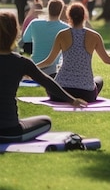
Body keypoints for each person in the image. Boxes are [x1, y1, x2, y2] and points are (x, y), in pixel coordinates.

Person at [0, 12, 87, 143]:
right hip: (10, 132)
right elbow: (47, 82)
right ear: (15, 33)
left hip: (9, 127)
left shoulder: (22, 63)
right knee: (46, 121)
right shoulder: (21, 63)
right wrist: (72, 100)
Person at [37, 2, 110, 102]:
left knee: (51, 81)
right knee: (99, 80)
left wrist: (31, 67)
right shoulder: (94, 36)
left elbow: (49, 61)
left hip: (61, 93)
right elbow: (106, 59)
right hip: (86, 93)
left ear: (69, 16)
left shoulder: (62, 35)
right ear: (84, 17)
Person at [21, 0, 69, 76]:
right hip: (53, 69)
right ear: (61, 11)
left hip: (35, 66)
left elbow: (25, 39)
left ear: (48, 8)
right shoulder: (66, 28)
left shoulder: (34, 23)